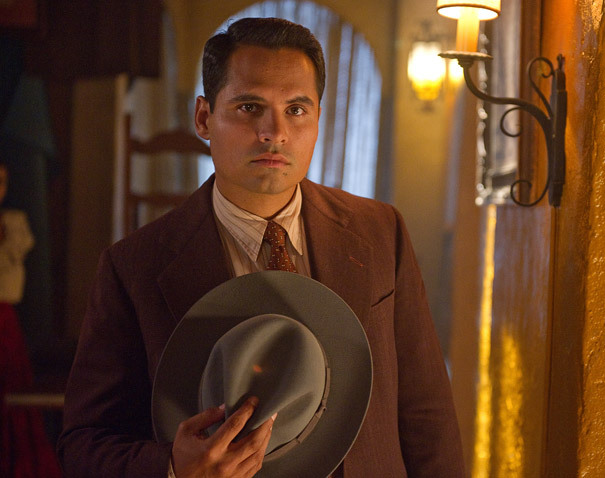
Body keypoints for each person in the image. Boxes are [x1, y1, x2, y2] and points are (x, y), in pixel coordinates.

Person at [57, 17, 465, 477]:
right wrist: (172, 467)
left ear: (318, 118)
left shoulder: (380, 232)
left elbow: (427, 415)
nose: (275, 132)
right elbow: (83, 444)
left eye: (296, 109)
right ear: (204, 117)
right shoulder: (134, 266)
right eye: (250, 107)